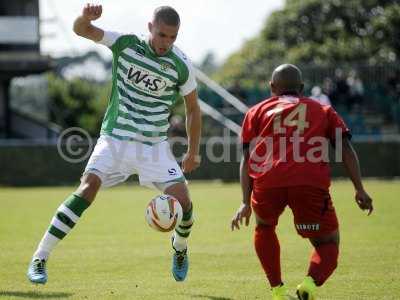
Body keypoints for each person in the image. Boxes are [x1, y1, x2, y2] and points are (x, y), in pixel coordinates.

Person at [27, 4, 201, 284]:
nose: (166, 42)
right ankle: (40, 257)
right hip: (115, 139)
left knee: (185, 203)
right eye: (162, 35)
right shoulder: (126, 44)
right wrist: (85, 18)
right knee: (87, 189)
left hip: (154, 147)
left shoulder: (181, 65)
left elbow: (193, 108)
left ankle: (179, 249)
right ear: (150, 28)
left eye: (172, 37)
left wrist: (193, 151)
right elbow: (82, 30)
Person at [231, 64, 373, 300]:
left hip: (268, 182)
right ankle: (308, 284)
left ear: (271, 88)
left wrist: (245, 201)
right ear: (302, 88)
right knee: (328, 243)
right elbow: (346, 149)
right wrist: (359, 188)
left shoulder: (255, 112)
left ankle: (277, 290)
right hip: (308, 182)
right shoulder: (323, 110)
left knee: (264, 227)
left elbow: (247, 160)